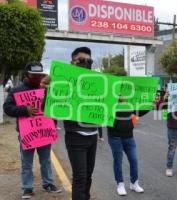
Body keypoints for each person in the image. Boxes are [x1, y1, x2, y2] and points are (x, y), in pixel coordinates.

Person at [3, 62, 61, 199]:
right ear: (27, 75)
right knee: (26, 162)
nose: (36, 78)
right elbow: (7, 108)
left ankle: (48, 184)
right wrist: (24, 109)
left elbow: (56, 107)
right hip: (27, 133)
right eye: (33, 75)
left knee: (46, 160)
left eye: (39, 75)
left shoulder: (48, 89)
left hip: (44, 132)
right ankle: (27, 188)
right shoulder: (17, 90)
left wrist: (48, 98)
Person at [52, 47, 98, 200]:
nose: (86, 63)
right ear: (72, 62)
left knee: (88, 176)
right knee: (80, 177)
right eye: (82, 60)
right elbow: (53, 105)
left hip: (93, 135)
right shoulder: (63, 80)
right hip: (75, 136)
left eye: (89, 61)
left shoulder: (97, 81)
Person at [107, 97, 149, 196]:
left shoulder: (129, 101)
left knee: (134, 160)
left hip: (129, 136)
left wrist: (149, 105)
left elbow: (139, 112)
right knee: (118, 160)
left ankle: (134, 183)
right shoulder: (110, 100)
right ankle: (120, 184)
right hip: (115, 137)